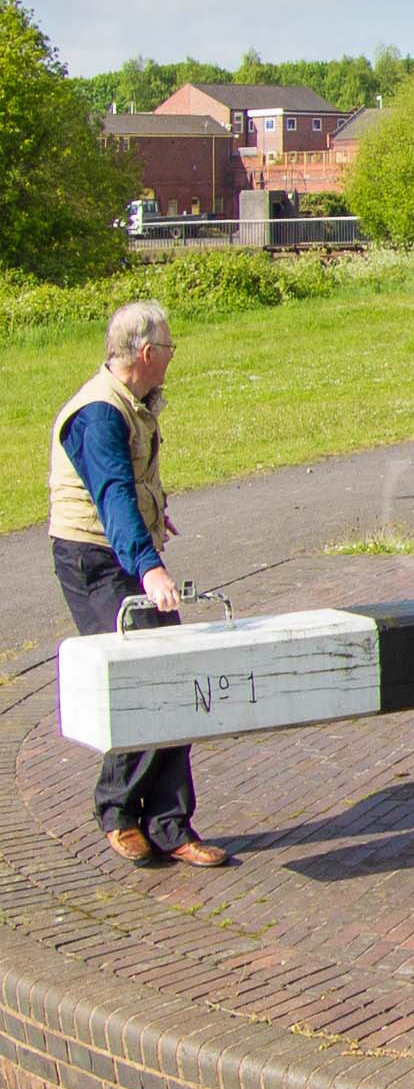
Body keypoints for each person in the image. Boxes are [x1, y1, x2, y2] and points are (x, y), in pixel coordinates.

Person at [49, 301, 227, 867]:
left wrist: (160, 513)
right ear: (148, 354)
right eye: (170, 348)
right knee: (141, 683)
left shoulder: (133, 402)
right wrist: (150, 566)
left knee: (174, 678)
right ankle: (121, 812)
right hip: (96, 561)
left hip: (125, 547)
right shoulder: (99, 414)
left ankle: (172, 824)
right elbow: (113, 498)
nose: (173, 357)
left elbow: (136, 482)